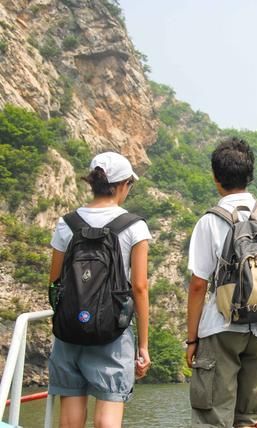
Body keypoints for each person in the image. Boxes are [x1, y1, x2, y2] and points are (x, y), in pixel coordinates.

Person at [186, 137, 257, 428]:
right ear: (250, 175)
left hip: (220, 326)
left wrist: (192, 339)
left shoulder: (209, 221)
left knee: (213, 417)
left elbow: (198, 285)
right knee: (248, 419)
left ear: (215, 177)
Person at [48, 152, 152, 428]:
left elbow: (55, 281)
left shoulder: (66, 223)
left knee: (69, 420)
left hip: (69, 332)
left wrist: (70, 316)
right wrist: (142, 346)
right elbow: (139, 287)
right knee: (107, 420)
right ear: (123, 185)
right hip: (112, 333)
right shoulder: (134, 226)